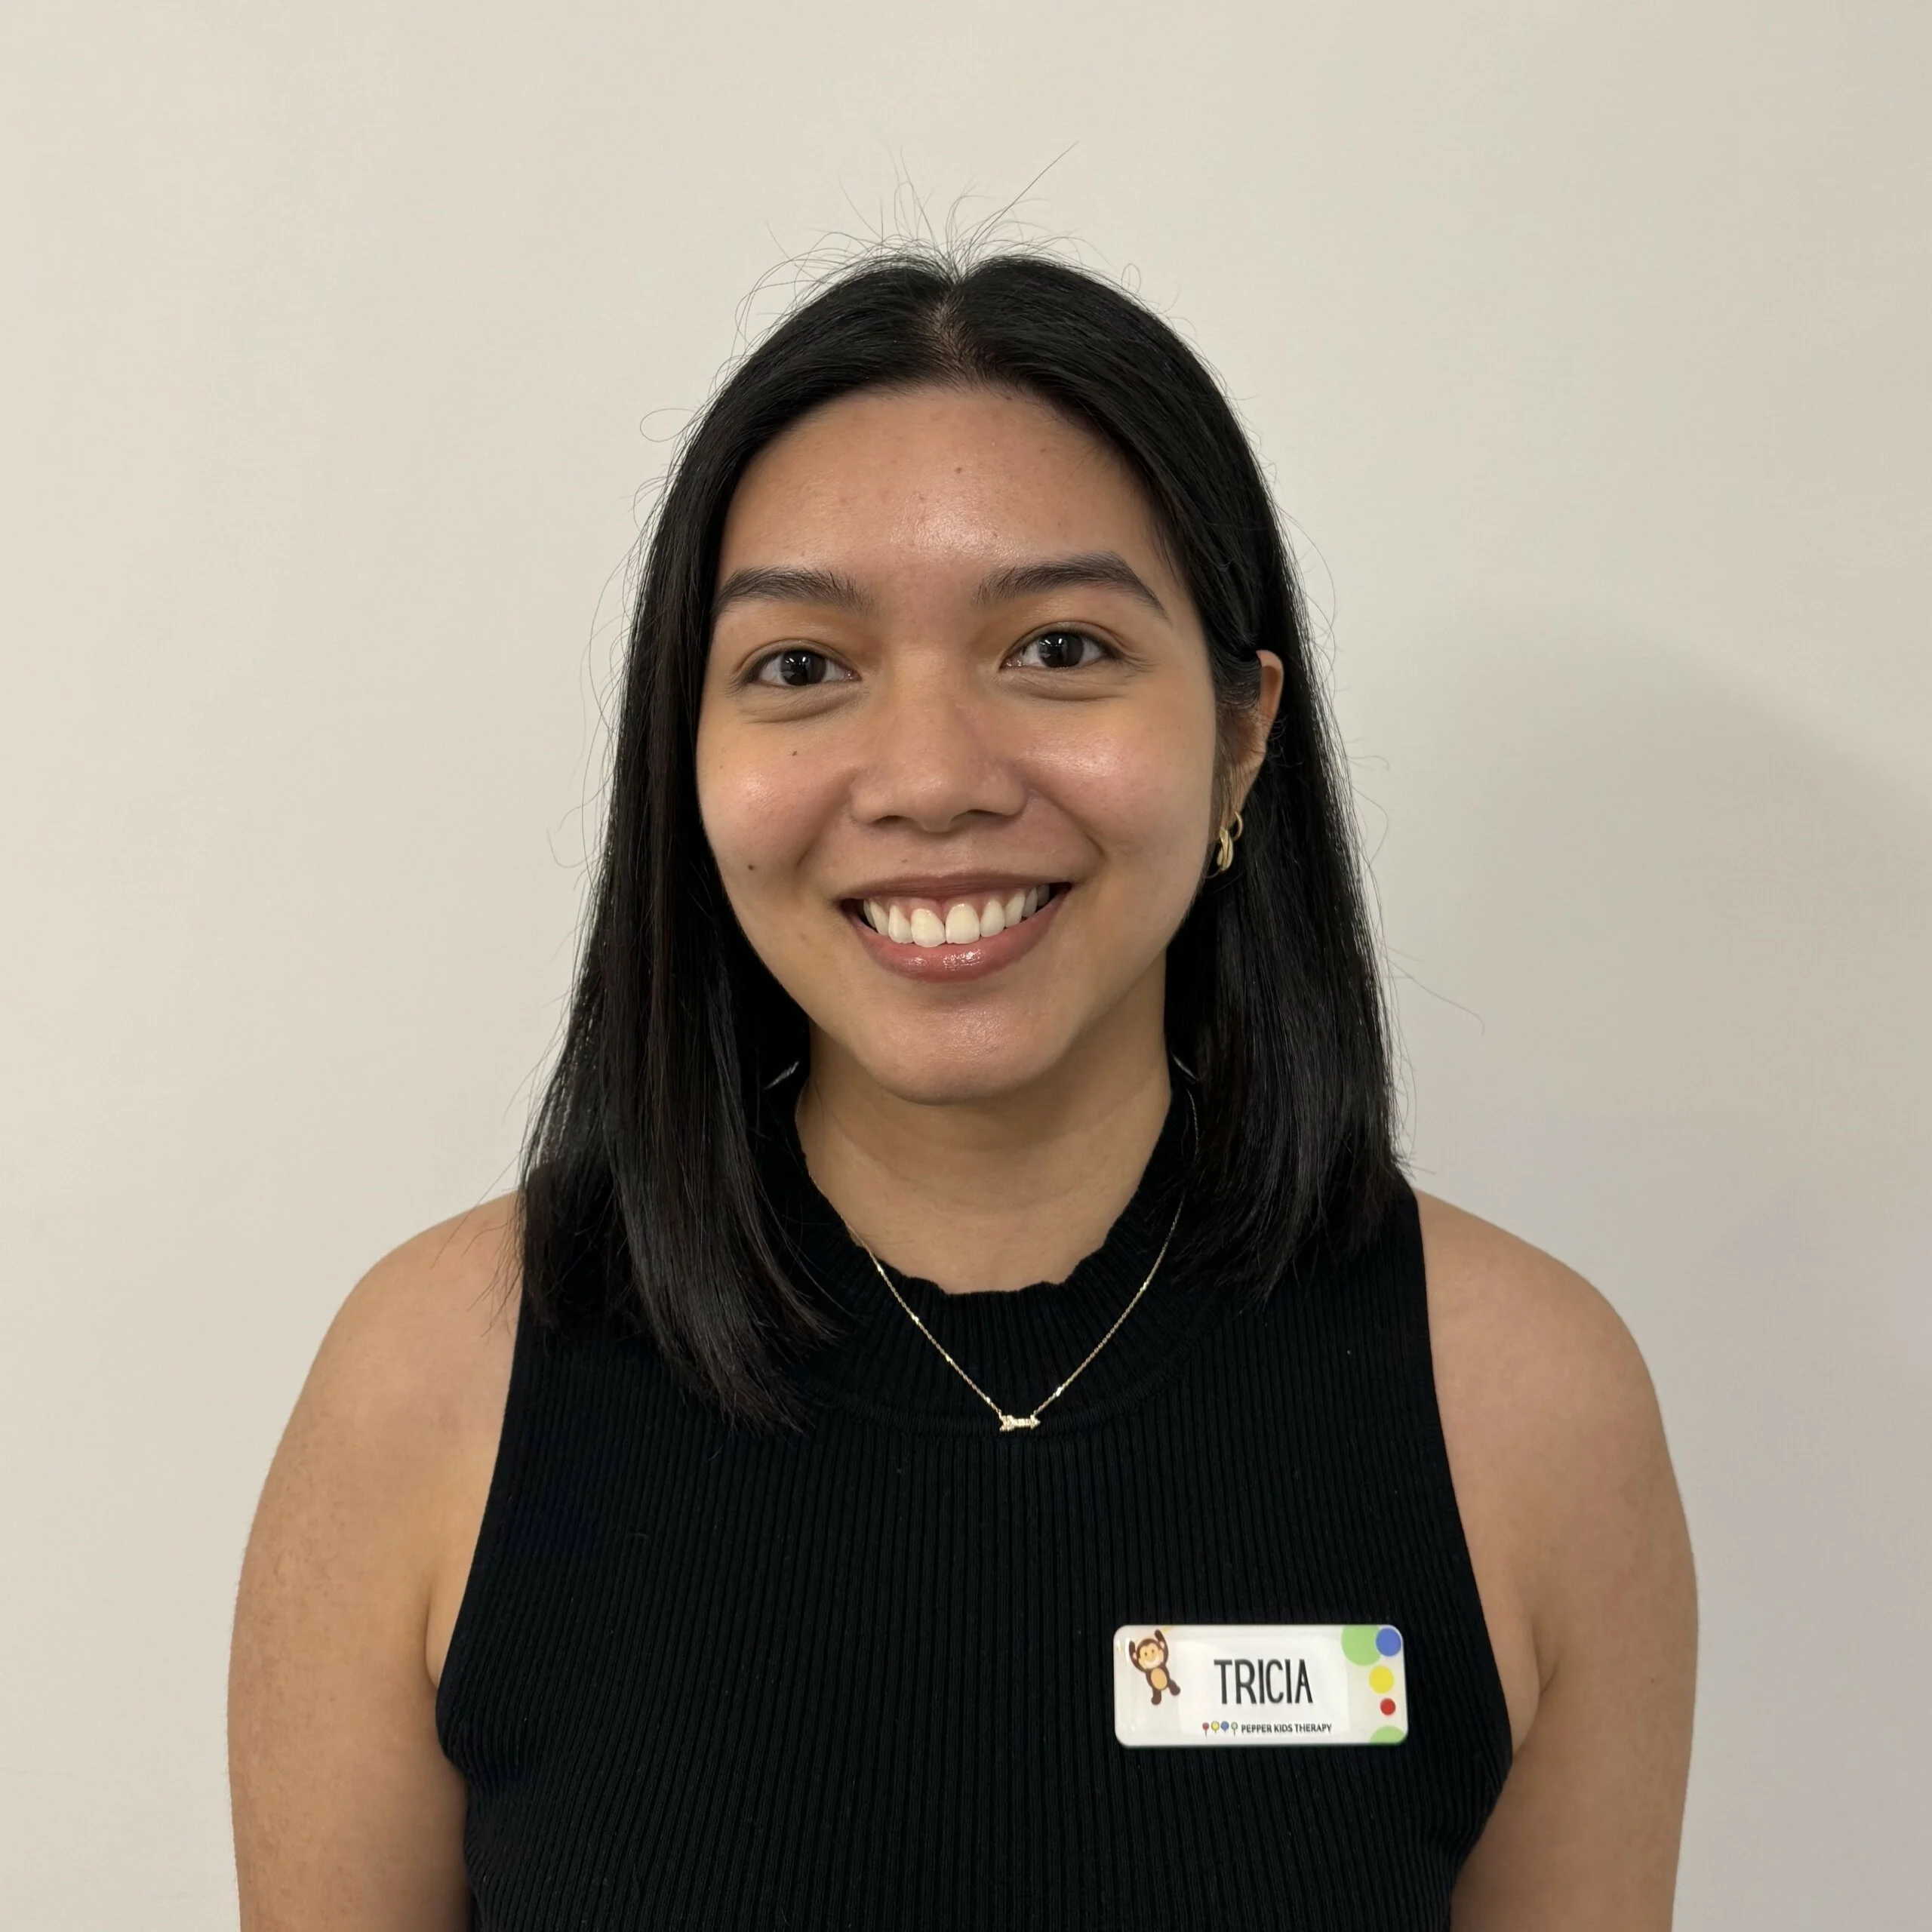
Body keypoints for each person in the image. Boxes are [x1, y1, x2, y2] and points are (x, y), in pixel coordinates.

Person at [229, 248, 1696, 1930]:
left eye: (1058, 646)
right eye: (801, 666)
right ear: (684, 756)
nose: (929, 779)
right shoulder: (439, 1382)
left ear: (1237, 736)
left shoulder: (1526, 1408)